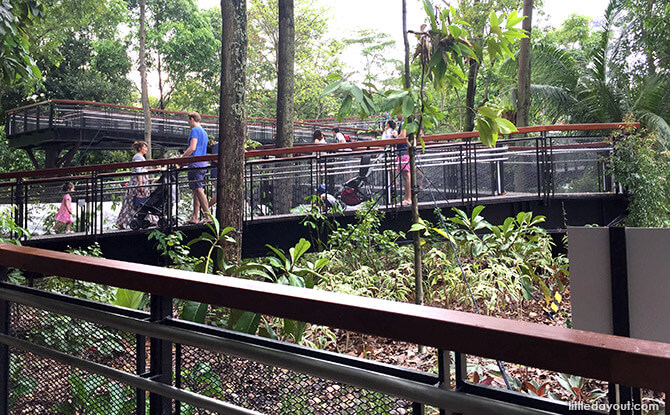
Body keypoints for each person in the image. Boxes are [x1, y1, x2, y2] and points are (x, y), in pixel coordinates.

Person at [116, 141, 153, 229]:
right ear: (140, 148)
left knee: (140, 201)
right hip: (138, 181)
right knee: (136, 201)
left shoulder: (140, 157)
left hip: (141, 180)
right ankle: (124, 222)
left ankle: (145, 219)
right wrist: (140, 184)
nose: (146, 149)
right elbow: (138, 170)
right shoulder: (138, 157)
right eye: (145, 147)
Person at [182, 112, 210, 224]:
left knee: (198, 189)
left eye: (188, 120)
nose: (188, 123)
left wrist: (182, 158)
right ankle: (194, 217)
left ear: (192, 119)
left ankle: (207, 215)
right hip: (203, 163)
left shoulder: (194, 131)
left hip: (195, 163)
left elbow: (192, 147)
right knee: (196, 190)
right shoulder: (204, 132)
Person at [383, 120, 411, 205]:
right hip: (402, 152)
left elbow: (403, 135)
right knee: (405, 175)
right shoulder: (404, 122)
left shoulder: (404, 122)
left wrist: (394, 141)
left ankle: (408, 199)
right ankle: (407, 198)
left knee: (406, 175)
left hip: (403, 152)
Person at [208, 140, 219, 209]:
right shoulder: (217, 145)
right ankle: (205, 208)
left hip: (220, 174)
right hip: (216, 174)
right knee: (220, 194)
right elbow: (215, 159)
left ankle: (205, 208)